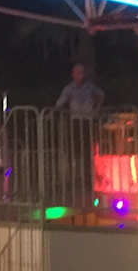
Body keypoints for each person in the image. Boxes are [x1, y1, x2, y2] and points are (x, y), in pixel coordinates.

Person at [52, 64, 104, 207]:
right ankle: (74, 180)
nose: (80, 75)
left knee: (87, 151)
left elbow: (101, 95)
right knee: (74, 151)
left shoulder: (90, 87)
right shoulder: (69, 88)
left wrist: (96, 109)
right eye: (77, 72)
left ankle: (88, 180)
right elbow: (60, 102)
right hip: (75, 121)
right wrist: (55, 110)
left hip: (87, 121)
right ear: (73, 74)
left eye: (81, 72)